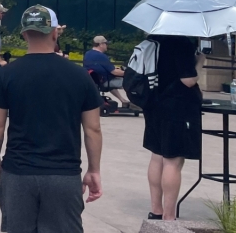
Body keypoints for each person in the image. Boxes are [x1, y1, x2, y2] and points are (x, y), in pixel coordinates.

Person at [0, 5, 103, 233]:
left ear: (24, 34)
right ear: (55, 32)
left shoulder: (6, 74)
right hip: (63, 175)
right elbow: (93, 129)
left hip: (19, 173)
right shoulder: (79, 76)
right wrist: (94, 170)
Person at [143, 34, 203, 221]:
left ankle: (156, 209)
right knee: (173, 160)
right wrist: (200, 61)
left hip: (153, 104)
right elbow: (189, 80)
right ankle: (169, 215)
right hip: (177, 107)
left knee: (157, 156)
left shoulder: (153, 40)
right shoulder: (181, 42)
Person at [83, 36, 132, 108]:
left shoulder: (87, 54)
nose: (107, 45)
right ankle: (135, 103)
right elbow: (114, 72)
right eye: (106, 44)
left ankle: (123, 100)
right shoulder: (101, 56)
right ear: (100, 44)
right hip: (104, 81)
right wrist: (129, 73)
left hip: (94, 80)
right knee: (130, 82)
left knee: (111, 81)